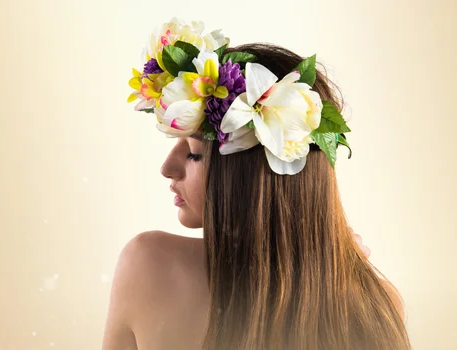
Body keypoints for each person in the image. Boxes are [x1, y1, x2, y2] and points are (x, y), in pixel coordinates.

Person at [103, 18, 411, 350]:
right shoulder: (377, 305)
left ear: (248, 174)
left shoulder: (150, 265)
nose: (167, 168)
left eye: (193, 153)